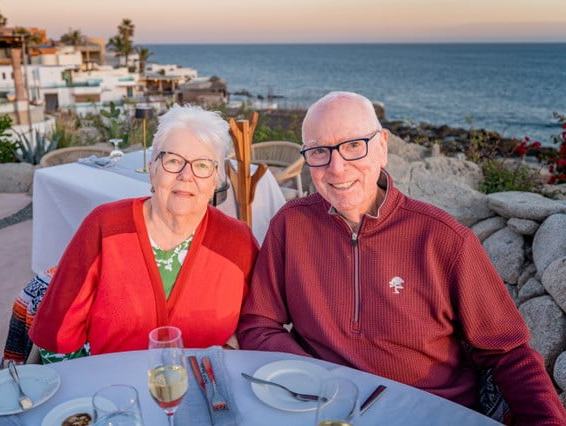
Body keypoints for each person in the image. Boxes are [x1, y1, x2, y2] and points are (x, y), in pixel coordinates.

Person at [237, 91, 566, 424]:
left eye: (353, 145)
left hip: (427, 413)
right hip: (321, 408)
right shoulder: (291, 223)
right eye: (319, 151)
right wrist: (321, 377)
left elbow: (508, 353)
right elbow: (259, 325)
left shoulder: (445, 239)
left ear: (382, 145)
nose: (337, 167)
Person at [29, 105, 258, 361]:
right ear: (152, 168)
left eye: (202, 165)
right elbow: (57, 337)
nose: (186, 175)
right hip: (116, 393)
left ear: (216, 179)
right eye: (173, 161)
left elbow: (258, 326)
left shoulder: (238, 241)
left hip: (207, 390)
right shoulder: (104, 226)